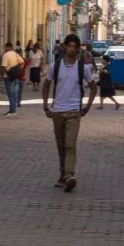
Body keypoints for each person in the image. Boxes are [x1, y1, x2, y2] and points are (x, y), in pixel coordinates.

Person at [42, 34, 97, 192]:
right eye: (69, 46)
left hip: (74, 111)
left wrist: (87, 107)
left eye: (75, 46)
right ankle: (63, 174)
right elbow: (46, 85)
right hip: (57, 112)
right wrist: (46, 106)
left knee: (70, 144)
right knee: (61, 146)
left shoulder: (83, 68)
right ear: (65, 47)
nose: (72, 49)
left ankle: (69, 175)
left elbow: (94, 88)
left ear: (78, 49)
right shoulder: (55, 66)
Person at [0, 43, 25, 116]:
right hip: (15, 76)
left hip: (8, 77)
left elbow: (4, 67)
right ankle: (13, 109)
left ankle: (12, 110)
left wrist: (5, 73)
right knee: (13, 92)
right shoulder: (15, 54)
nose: (5, 49)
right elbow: (22, 62)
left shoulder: (6, 55)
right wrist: (19, 70)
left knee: (10, 93)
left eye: (5, 47)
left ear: (8, 47)